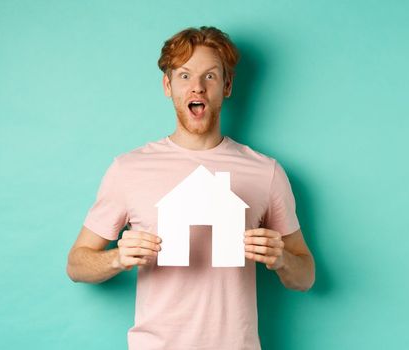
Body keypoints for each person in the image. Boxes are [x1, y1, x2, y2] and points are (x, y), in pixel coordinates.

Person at [65, 26, 315, 349]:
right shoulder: (128, 169)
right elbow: (76, 263)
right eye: (184, 76)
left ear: (226, 86)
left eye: (209, 76)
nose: (197, 87)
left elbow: (306, 275)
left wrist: (282, 259)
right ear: (167, 85)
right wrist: (117, 258)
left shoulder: (266, 172)